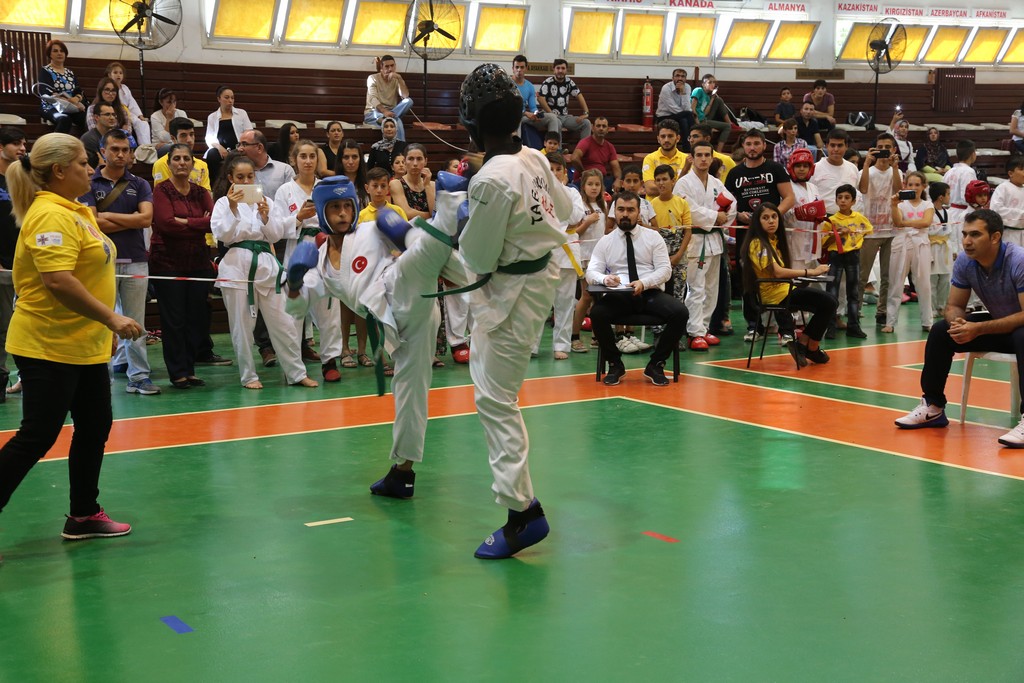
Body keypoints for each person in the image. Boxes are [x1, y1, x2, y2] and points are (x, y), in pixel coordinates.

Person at [0, 133, 143, 555]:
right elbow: (58, 281)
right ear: (60, 170)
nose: (90, 168)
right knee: (38, 435)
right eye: (83, 162)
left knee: (95, 426)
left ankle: (83, 514)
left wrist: (103, 328)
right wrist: (112, 318)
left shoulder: (75, 210)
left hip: (82, 343)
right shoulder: (49, 215)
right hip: (47, 342)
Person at [286, 171, 464, 501]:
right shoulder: (319, 262)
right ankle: (402, 475)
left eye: (347, 206)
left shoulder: (372, 229)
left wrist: (406, 235)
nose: (343, 214)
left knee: (415, 252)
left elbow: (416, 249)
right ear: (322, 212)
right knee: (410, 396)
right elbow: (297, 308)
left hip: (401, 289)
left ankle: (450, 204)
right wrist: (294, 283)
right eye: (335, 208)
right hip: (397, 327)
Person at [457, 63, 574, 559]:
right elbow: (565, 211)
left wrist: (467, 212)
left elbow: (479, 258)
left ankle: (522, 513)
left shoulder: (491, 180)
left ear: (471, 124)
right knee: (495, 394)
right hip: (541, 277)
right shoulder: (532, 156)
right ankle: (520, 507)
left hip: (511, 292)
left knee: (496, 399)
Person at [895, 209, 1024, 448]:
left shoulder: (1018, 260)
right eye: (964, 234)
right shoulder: (966, 261)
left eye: (975, 234)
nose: (966, 241)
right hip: (1001, 326)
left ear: (995, 237)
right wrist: (958, 324)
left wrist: (979, 328)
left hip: (1021, 327)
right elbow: (954, 305)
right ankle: (933, 406)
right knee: (940, 331)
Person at [210, 154, 317, 390]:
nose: (246, 182)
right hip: (236, 267)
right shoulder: (222, 203)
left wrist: (266, 216)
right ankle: (249, 376)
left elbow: (276, 235)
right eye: (240, 177)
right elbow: (223, 235)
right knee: (242, 328)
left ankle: (296, 373)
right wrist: (233, 208)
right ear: (231, 178)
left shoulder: (266, 200)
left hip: (267, 266)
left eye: (250, 176)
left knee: (284, 323)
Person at [81, 129, 159, 395]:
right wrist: (131, 219)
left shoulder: (140, 183)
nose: (121, 154)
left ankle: (139, 376)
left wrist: (107, 218)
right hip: (102, 261)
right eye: (115, 149)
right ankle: (102, 378)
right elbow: (93, 224)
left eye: (125, 150)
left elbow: (146, 219)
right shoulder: (90, 182)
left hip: (136, 259)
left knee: (136, 321)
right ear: (102, 151)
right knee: (104, 321)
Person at [588, 191, 689, 386]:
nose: (625, 214)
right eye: (621, 209)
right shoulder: (605, 241)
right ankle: (615, 364)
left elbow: (665, 270)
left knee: (680, 313)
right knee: (597, 314)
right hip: (619, 295)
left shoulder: (653, 237)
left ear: (639, 212)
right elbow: (591, 271)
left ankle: (656, 364)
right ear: (614, 212)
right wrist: (605, 278)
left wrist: (644, 282)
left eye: (630, 210)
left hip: (649, 293)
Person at [272, 139, 343, 382]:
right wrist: (298, 217)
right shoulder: (284, 191)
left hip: (326, 250)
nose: (308, 161)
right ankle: (294, 367)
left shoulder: (326, 187)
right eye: (303, 156)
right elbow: (277, 229)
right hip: (298, 251)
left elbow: (340, 217)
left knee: (329, 308)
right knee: (294, 312)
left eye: (312, 156)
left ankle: (330, 361)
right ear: (294, 160)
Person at [150, 143, 215, 389]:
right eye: (176, 158)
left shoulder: (200, 191)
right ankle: (178, 372)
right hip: (167, 263)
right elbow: (166, 224)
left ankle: (190, 369)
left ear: (192, 163)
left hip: (198, 261)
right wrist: (198, 223)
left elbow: (214, 222)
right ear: (168, 164)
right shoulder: (161, 190)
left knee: (195, 318)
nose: (182, 163)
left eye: (186, 158)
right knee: (174, 319)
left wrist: (185, 222)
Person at [742, 202, 836, 366]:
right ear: (758, 222)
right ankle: (810, 348)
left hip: (786, 290)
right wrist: (810, 272)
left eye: (774, 217)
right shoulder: (757, 243)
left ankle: (805, 345)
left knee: (829, 303)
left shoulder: (774, 240)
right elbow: (777, 272)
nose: (771, 221)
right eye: (765, 218)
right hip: (776, 296)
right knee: (829, 302)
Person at [724, 129, 795, 340]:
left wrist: (770, 217)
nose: (752, 148)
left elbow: (789, 198)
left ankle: (786, 330)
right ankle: (754, 327)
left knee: (778, 276)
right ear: (743, 147)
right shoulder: (734, 174)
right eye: (748, 144)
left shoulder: (775, 169)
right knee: (748, 279)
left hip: (773, 234)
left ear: (764, 145)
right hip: (746, 234)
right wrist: (738, 214)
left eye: (756, 143)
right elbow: (728, 205)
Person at [675, 140, 735, 351]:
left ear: (712, 158)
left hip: (714, 242)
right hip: (695, 242)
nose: (703, 159)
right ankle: (694, 332)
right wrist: (715, 216)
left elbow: (732, 204)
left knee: (712, 289)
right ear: (691, 158)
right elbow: (688, 210)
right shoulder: (683, 183)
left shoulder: (717, 183)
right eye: (699, 155)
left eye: (706, 155)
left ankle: (704, 327)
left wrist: (724, 216)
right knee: (696, 288)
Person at [535, 153, 585, 360]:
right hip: (542, 252)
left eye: (558, 169)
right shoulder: (536, 193)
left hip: (566, 254)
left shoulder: (572, 193)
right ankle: (531, 345)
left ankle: (561, 344)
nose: (554, 173)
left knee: (565, 303)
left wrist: (559, 192)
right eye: (550, 169)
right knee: (537, 302)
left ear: (565, 173)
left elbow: (575, 217)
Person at [859, 132, 903, 326]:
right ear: (875, 149)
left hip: (891, 229)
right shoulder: (867, 170)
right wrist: (866, 164)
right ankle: (855, 312)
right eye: (880, 147)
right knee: (863, 275)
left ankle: (882, 312)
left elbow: (899, 192)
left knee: (887, 276)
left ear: (893, 149)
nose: (884, 150)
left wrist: (895, 167)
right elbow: (862, 189)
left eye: (888, 147)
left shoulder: (896, 171)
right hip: (870, 230)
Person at [885, 170, 934, 333]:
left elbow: (926, 222)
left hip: (921, 244)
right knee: (896, 282)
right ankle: (890, 322)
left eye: (917, 184)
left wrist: (906, 223)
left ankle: (927, 321)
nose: (914, 187)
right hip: (902, 243)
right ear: (905, 186)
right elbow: (897, 222)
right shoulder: (899, 204)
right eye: (910, 184)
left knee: (924, 283)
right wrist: (894, 206)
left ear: (924, 186)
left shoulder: (928, 204)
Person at [821, 184, 871, 339]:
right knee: (832, 292)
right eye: (840, 197)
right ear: (836, 200)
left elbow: (868, 229)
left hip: (853, 256)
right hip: (835, 256)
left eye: (847, 198)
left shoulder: (859, 217)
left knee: (853, 292)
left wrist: (856, 239)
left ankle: (853, 326)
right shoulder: (831, 220)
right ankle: (830, 327)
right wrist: (836, 234)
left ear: (853, 201)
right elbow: (824, 242)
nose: (843, 200)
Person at [0, 127, 27, 396]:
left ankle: (26, 377)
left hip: (24, 263)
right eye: (16, 143)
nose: (22, 148)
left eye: (24, 143)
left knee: (25, 324)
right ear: (1, 147)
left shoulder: (24, 179)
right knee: (3, 327)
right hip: (2, 265)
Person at [570, 169, 608, 353]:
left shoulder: (603, 204)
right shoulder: (580, 205)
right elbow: (574, 232)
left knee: (599, 297)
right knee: (586, 296)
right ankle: (574, 336)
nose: (594, 188)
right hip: (584, 255)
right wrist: (588, 222)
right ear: (583, 186)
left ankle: (596, 336)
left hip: (600, 257)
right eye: (590, 184)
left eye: (597, 184)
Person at [204, 86, 254, 183]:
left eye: (232, 98)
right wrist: (219, 148)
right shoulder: (212, 117)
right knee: (212, 154)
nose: (230, 101)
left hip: (239, 148)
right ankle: (215, 185)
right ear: (219, 99)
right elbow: (209, 138)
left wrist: (242, 146)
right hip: (221, 150)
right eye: (226, 97)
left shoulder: (242, 113)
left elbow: (249, 132)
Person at [37, 39, 87, 134]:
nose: (59, 53)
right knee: (64, 119)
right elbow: (45, 92)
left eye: (62, 51)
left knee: (86, 118)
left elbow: (78, 90)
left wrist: (77, 98)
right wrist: (69, 101)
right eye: (55, 51)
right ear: (50, 54)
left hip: (72, 107)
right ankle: (56, 143)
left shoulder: (70, 72)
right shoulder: (45, 71)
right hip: (51, 106)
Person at [538, 59, 592, 142]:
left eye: (563, 68)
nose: (560, 71)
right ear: (554, 69)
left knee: (586, 123)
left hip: (565, 117)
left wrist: (586, 113)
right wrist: (552, 114)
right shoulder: (548, 82)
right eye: (558, 68)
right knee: (557, 123)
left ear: (566, 70)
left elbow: (579, 95)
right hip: (551, 116)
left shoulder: (569, 82)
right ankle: (558, 150)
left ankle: (583, 148)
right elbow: (541, 99)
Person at [364, 55, 413, 142]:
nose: (390, 69)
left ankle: (386, 119)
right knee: (396, 121)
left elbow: (405, 96)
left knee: (409, 101)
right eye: (387, 66)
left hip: (392, 112)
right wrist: (384, 112)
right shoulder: (372, 78)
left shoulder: (397, 79)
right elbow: (373, 98)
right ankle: (400, 149)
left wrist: (400, 79)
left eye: (392, 66)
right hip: (374, 113)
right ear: (381, 67)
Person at [152, 118, 211, 190]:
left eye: (191, 134)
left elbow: (206, 194)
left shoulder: (202, 165)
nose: (189, 140)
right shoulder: (161, 164)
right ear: (173, 138)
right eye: (183, 135)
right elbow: (163, 193)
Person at [511, 55, 560, 141]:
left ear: (526, 68)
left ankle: (553, 147)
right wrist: (525, 113)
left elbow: (533, 107)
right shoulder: (508, 84)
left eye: (522, 67)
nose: (519, 70)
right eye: (517, 67)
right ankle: (517, 147)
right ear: (513, 69)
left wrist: (536, 113)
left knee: (552, 117)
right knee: (517, 119)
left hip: (525, 117)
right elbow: (508, 106)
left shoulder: (529, 86)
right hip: (512, 116)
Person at [104, 61, 150, 145]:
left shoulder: (125, 88)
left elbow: (132, 102)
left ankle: (146, 146)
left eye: (120, 73)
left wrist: (140, 115)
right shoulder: (108, 88)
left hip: (128, 112)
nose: (118, 75)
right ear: (109, 75)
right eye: (115, 72)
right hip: (116, 111)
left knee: (143, 123)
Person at [570, 116, 621, 192]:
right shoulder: (585, 142)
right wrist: (584, 173)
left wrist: (618, 179)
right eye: (598, 126)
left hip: (601, 180)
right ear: (593, 128)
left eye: (604, 126)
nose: (601, 128)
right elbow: (574, 158)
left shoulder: (610, 147)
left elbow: (616, 166)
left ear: (607, 130)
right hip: (584, 181)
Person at [943, 140, 978, 243]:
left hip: (950, 211)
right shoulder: (969, 172)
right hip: (963, 213)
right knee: (963, 243)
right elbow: (967, 196)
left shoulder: (949, 171)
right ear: (972, 154)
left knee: (954, 243)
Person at [928, 182, 954, 321]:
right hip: (932, 247)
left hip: (945, 247)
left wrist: (954, 249)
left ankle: (942, 306)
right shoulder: (929, 212)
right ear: (940, 197)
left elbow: (952, 232)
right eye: (948, 194)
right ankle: (931, 308)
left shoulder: (948, 212)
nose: (950, 196)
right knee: (932, 281)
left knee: (945, 280)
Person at [690, 74, 735, 152]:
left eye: (714, 82)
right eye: (709, 82)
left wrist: (712, 98)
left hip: (704, 117)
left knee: (718, 100)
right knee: (727, 127)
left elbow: (705, 113)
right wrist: (699, 125)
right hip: (698, 120)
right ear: (703, 84)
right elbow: (692, 108)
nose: (712, 84)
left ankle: (730, 123)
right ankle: (719, 151)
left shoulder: (708, 96)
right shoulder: (698, 90)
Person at [641, 119, 686, 197]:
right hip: (654, 204)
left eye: (670, 136)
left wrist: (660, 187)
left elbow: (686, 189)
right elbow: (650, 190)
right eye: (663, 136)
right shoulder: (649, 158)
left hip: (678, 204)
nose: (666, 140)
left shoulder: (686, 159)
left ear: (678, 138)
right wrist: (677, 186)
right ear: (658, 139)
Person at [86, 78, 136, 146]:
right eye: (107, 90)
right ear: (100, 91)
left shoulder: (122, 109)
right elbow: (94, 129)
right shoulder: (92, 108)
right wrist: (119, 131)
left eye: (113, 90)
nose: (110, 93)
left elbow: (128, 131)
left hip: (120, 143)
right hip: (98, 143)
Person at [989, 156, 1024, 246]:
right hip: (1009, 234)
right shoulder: (1003, 188)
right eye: (1022, 169)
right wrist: (1021, 214)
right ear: (1011, 173)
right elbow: (995, 210)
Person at [655, 68, 694, 143]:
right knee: (688, 115)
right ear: (673, 78)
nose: (680, 78)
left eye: (683, 76)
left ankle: (688, 146)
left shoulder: (687, 87)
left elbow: (687, 107)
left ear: (685, 79)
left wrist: (682, 92)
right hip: (664, 117)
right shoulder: (666, 88)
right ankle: (693, 141)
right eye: (677, 76)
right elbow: (673, 109)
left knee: (684, 121)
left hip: (681, 116)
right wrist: (686, 113)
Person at [80, 102, 118, 169]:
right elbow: (101, 166)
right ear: (97, 117)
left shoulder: (116, 136)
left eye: (113, 114)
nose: (112, 118)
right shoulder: (88, 138)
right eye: (107, 114)